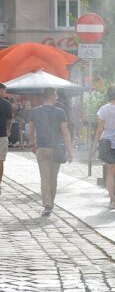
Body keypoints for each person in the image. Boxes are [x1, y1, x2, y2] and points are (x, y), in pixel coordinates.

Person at [28, 87, 73, 217]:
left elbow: (30, 131)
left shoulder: (35, 112)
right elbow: (65, 132)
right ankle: (51, 204)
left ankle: (47, 203)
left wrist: (32, 144)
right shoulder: (60, 112)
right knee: (53, 178)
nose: (57, 97)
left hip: (41, 148)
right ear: (53, 96)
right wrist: (70, 151)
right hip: (56, 149)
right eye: (55, 95)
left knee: (44, 178)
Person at [92, 86, 115, 209]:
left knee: (109, 173)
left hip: (106, 142)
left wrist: (94, 145)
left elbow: (100, 128)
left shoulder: (104, 109)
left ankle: (112, 201)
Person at [0, 83, 13, 195]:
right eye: (4, 91)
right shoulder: (6, 104)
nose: (5, 93)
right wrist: (8, 130)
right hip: (2, 135)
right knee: (0, 161)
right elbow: (9, 120)